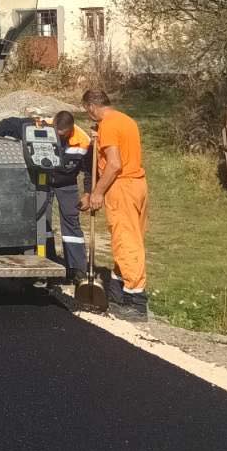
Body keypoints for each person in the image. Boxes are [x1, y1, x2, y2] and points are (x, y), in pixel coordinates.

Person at [81, 89, 149, 320]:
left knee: (126, 242)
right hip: (138, 184)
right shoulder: (126, 121)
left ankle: (136, 301)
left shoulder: (109, 124)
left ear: (91, 107)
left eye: (87, 111)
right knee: (131, 239)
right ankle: (119, 292)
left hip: (121, 187)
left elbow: (114, 164)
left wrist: (97, 192)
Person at [47, 109, 91, 280]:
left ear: (71, 129)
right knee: (42, 221)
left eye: (63, 135)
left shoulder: (83, 141)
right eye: (57, 134)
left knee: (71, 222)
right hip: (43, 182)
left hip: (67, 183)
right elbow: (10, 125)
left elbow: (89, 171)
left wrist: (88, 193)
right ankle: (47, 261)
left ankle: (77, 269)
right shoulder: (41, 126)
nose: (60, 138)